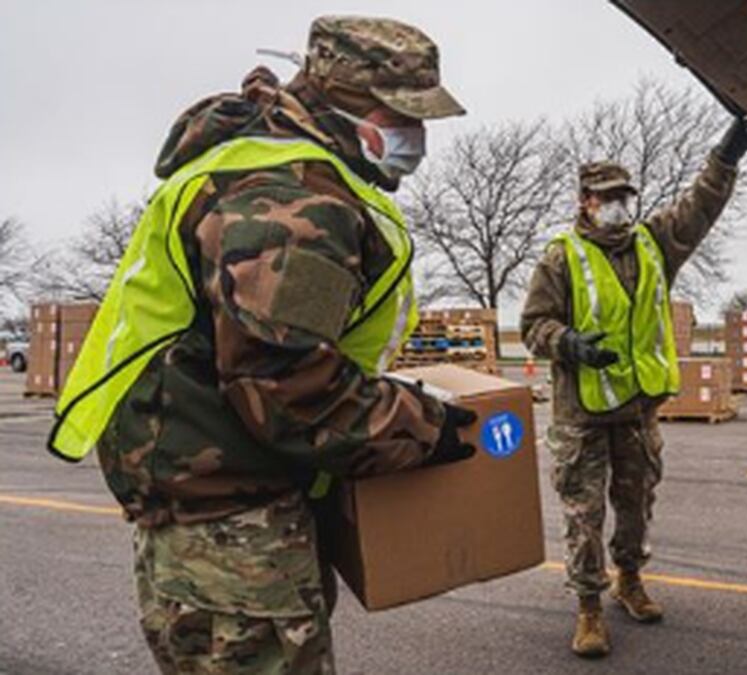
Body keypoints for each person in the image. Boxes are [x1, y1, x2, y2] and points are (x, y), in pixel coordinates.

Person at [48, 16, 477, 673]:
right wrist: (424, 427)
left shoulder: (263, 160)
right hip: (232, 533)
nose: (415, 139)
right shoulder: (288, 200)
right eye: (403, 117)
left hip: (212, 506)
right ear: (349, 105)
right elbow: (285, 388)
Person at [520, 117, 747, 658]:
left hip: (636, 410)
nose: (619, 207)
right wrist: (569, 343)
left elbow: (699, 207)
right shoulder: (560, 256)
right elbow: (533, 325)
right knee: (583, 515)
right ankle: (588, 607)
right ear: (585, 202)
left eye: (624, 197)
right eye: (607, 198)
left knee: (636, 504)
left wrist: (725, 159)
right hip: (581, 415)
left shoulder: (653, 243)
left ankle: (629, 580)